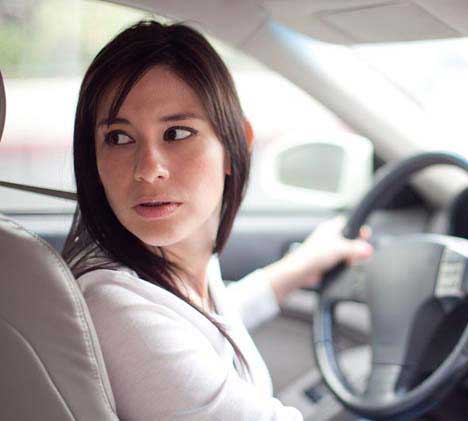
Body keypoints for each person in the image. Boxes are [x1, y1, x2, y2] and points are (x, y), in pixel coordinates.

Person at [61, 20, 373, 420]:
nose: (148, 169)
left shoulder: (179, 263)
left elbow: (202, 329)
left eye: (175, 133)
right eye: (119, 138)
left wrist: (297, 269)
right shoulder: (119, 310)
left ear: (235, 144)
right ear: (94, 159)